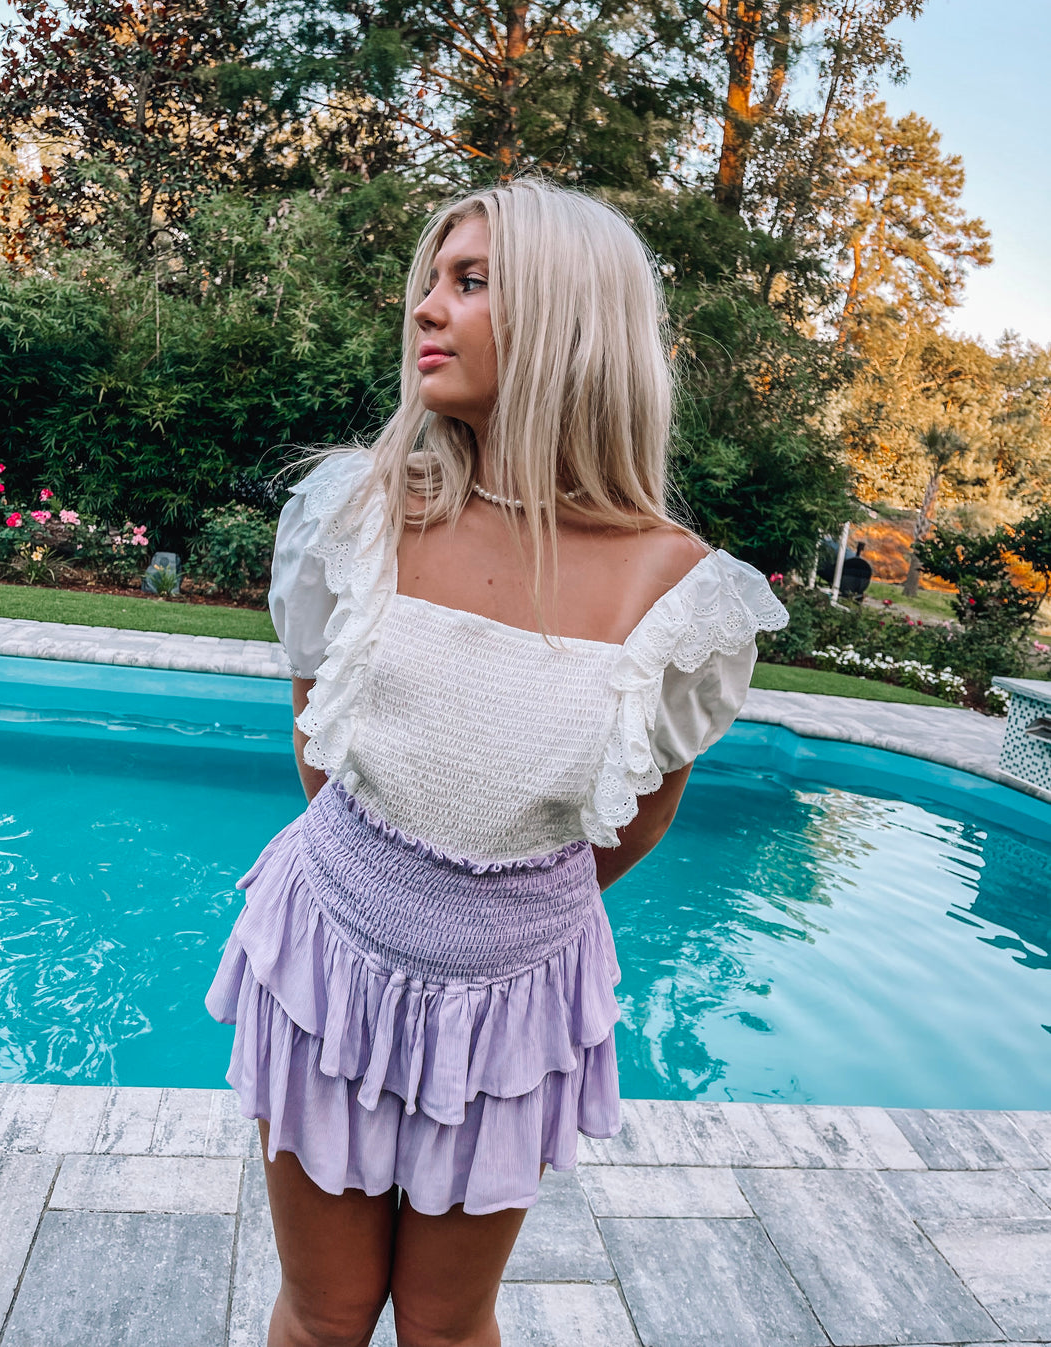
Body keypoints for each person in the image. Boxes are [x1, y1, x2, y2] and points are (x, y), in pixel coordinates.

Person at [205, 179, 788, 1347]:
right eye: (431, 280)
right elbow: (323, 748)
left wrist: (493, 915)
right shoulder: (361, 515)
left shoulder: (676, 595)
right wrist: (393, 900)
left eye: (469, 283)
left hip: (513, 1004)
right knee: (323, 1317)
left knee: (444, 1321)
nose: (427, 307)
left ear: (572, 322)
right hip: (334, 962)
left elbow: (632, 822)